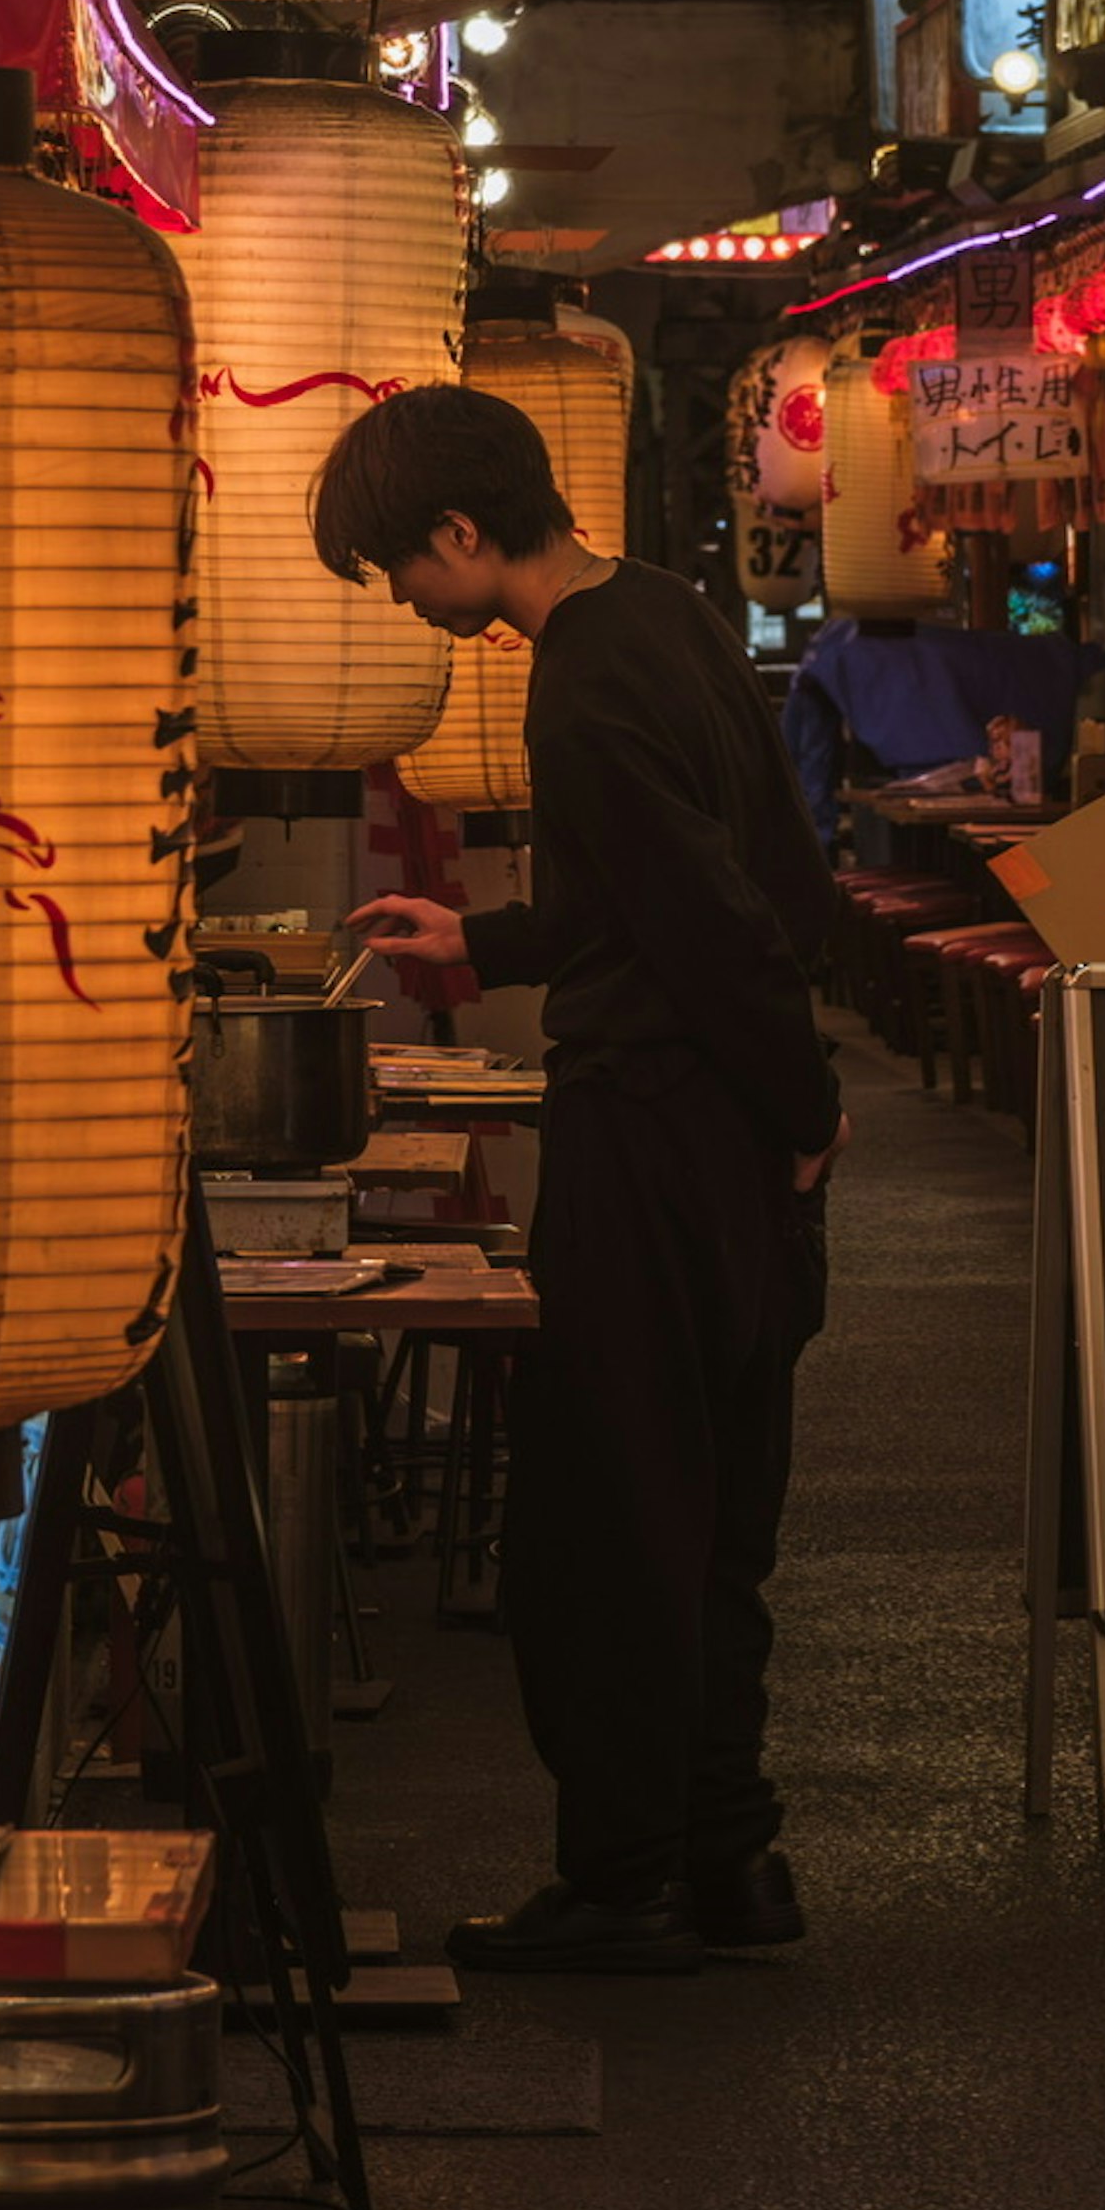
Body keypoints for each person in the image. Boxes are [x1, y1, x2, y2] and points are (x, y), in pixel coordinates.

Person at [319, 379, 846, 1976]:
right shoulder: (672, 617)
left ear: (464, 534)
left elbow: (704, 920)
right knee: (718, 1508)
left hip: (663, 1134)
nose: (408, 604)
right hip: (734, 1139)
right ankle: (731, 1856)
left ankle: (622, 1876)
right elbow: (752, 879)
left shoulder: (577, 684)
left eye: (402, 570)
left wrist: (803, 1095)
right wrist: (482, 940)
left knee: (607, 1514)